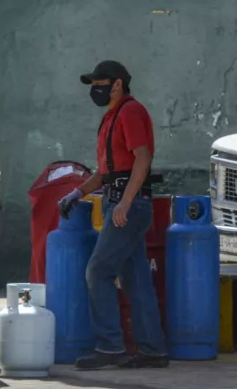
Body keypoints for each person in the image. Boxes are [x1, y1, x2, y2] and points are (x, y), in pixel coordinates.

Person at [57, 60, 168, 370]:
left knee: (98, 271)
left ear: (117, 84)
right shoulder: (112, 116)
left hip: (127, 206)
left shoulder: (130, 111)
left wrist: (125, 203)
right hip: (119, 201)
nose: (95, 90)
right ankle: (152, 350)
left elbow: (141, 160)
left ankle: (109, 347)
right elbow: (106, 173)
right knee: (136, 279)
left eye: (99, 84)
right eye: (92, 85)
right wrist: (77, 193)